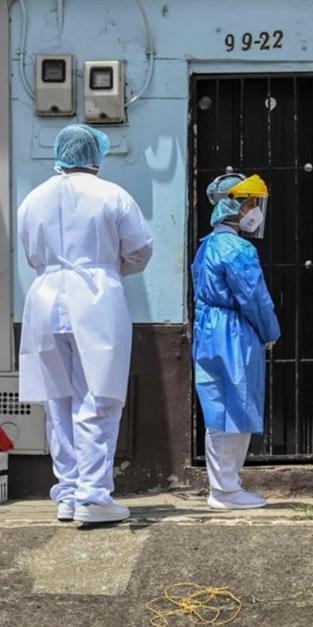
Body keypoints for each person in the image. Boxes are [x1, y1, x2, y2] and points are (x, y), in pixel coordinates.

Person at [18, 124, 153, 524]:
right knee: (100, 395)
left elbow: (30, 255)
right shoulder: (112, 195)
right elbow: (140, 250)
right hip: (96, 297)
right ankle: (94, 496)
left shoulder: (33, 199)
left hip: (44, 297)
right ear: (97, 155)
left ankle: (69, 491)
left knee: (57, 398)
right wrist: (109, 266)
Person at [192, 173, 280, 510]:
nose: (253, 211)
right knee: (238, 405)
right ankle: (228, 489)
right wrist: (270, 331)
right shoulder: (239, 249)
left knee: (215, 407)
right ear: (234, 205)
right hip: (234, 332)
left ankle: (221, 486)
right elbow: (254, 297)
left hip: (208, 331)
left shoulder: (207, 245)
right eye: (249, 203)